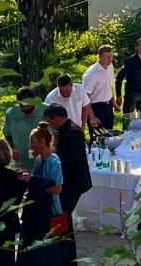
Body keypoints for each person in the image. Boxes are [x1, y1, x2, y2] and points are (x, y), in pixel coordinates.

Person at [45, 103, 92, 265]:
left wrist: (55, 163)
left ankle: (67, 257)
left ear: (57, 119)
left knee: (62, 217)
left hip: (73, 183)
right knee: (64, 218)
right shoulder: (64, 131)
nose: (50, 125)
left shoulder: (72, 132)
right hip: (69, 182)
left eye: (50, 121)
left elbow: (74, 161)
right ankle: (64, 254)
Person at [20, 122, 63, 266]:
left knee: (46, 251)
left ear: (44, 143)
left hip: (48, 211)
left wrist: (34, 181)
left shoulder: (54, 162)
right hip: (35, 210)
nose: (31, 146)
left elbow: (57, 189)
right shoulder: (39, 159)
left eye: (34, 143)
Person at [2, 86, 46, 172]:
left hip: (42, 158)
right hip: (20, 160)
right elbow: (7, 134)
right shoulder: (11, 113)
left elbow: (56, 132)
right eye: (22, 108)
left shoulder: (45, 110)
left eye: (29, 110)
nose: (26, 112)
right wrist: (12, 149)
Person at [81, 45, 118, 139]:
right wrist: (92, 117)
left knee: (109, 136)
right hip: (96, 108)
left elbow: (110, 86)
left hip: (108, 107)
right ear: (100, 57)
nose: (111, 60)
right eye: (108, 57)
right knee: (98, 138)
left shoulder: (110, 67)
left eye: (112, 56)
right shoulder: (92, 73)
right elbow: (85, 96)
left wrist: (114, 104)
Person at [116, 36, 141, 114]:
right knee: (128, 118)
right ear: (137, 47)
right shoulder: (130, 61)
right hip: (131, 93)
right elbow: (119, 78)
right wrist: (118, 95)